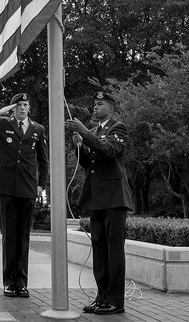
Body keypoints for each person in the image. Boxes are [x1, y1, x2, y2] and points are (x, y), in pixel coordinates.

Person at [0, 92, 48, 299]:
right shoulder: (2, 123)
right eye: (19, 105)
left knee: (23, 237)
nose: (23, 108)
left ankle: (22, 283)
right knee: (9, 237)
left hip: (27, 188)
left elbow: (43, 161)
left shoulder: (38, 129)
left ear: (29, 108)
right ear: (12, 108)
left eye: (26, 104)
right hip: (6, 187)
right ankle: (9, 282)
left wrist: (41, 185)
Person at [67, 91, 134, 316]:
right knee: (100, 251)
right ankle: (102, 296)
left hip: (114, 199)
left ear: (111, 108)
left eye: (100, 104)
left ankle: (116, 300)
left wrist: (84, 133)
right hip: (96, 198)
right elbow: (88, 163)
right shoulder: (94, 132)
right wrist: (80, 146)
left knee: (114, 252)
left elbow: (108, 151)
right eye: (94, 104)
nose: (95, 107)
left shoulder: (118, 128)